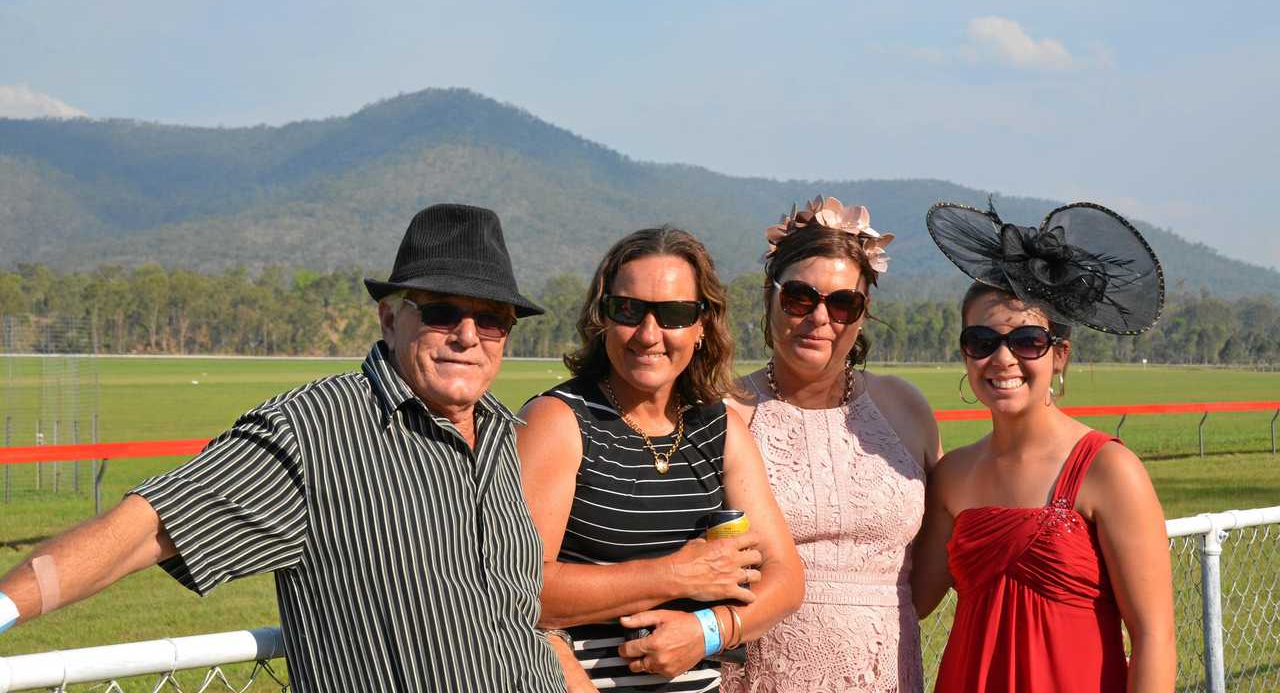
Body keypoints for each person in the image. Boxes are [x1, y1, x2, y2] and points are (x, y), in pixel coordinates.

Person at [0, 204, 572, 693]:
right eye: (443, 311)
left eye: (492, 319)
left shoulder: (501, 436)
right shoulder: (316, 430)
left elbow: (520, 623)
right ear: (391, 319)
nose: (467, 336)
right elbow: (141, 531)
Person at [517, 226, 805, 693]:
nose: (649, 334)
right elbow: (521, 588)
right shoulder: (560, 421)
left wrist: (707, 630)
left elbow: (786, 579)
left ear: (701, 326)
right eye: (628, 310)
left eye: (672, 314)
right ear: (602, 317)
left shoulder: (720, 429)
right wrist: (676, 573)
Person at [913, 201, 1176, 692]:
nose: (1003, 358)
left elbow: (1154, 636)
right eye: (982, 340)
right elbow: (911, 600)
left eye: (1028, 341)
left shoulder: (1108, 469)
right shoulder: (953, 475)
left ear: (1060, 354)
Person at [721, 196, 942, 693]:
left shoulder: (906, 409)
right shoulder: (723, 412)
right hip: (759, 673)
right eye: (800, 297)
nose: (821, 317)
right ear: (769, 295)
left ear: (863, 314)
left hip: (886, 673)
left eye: (844, 303)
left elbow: (932, 568)